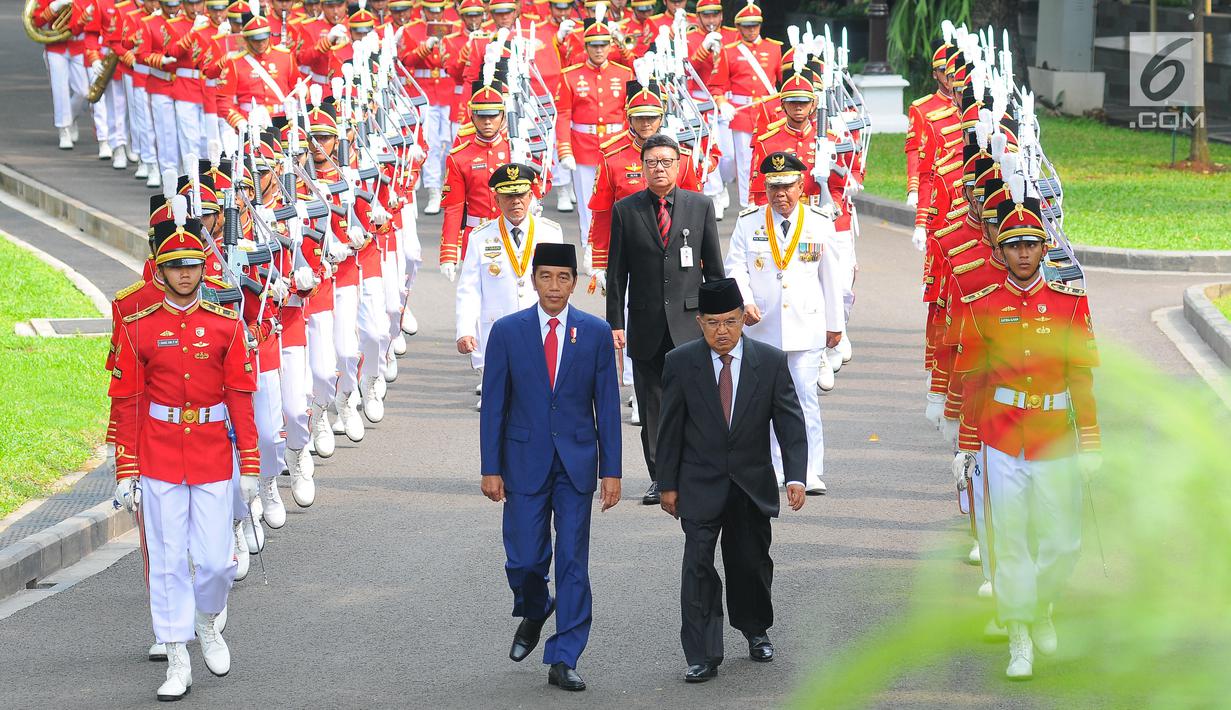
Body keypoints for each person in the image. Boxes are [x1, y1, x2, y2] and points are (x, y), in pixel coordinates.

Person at [109, 205, 259, 701]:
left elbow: (240, 394)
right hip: (157, 454)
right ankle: (176, 655)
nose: (185, 274)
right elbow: (127, 399)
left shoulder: (225, 323)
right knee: (169, 560)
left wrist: (251, 466)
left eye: (193, 265)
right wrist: (125, 468)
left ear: (202, 267)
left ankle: (208, 621)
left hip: (213, 453)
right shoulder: (139, 324)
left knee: (216, 563)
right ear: (160, 268)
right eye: (176, 266)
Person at [952, 196, 1101, 681]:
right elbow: (973, 377)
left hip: (1055, 435)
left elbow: (1081, 375)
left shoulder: (1069, 302)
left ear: (1044, 249)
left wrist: (1093, 438)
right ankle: (1019, 632)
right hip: (1001, 437)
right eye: (1012, 244)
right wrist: (968, 443)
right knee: (1010, 538)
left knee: (1063, 542)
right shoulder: (984, 305)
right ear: (1000, 248)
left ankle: (1041, 604)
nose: (1021, 253)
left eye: (1030, 245)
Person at [479, 242, 622, 692]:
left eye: (563, 278)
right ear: (534, 279)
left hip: (577, 463)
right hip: (523, 462)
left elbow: (609, 406)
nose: (555, 286)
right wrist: (490, 467)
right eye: (546, 276)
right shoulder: (508, 331)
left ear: (575, 282)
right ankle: (536, 607)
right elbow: (494, 407)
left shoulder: (595, 332)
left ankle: (565, 656)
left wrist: (611, 470)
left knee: (573, 562)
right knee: (523, 559)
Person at [655, 277, 808, 683]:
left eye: (731, 321)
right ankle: (703, 654)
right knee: (698, 566)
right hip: (698, 484)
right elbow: (668, 429)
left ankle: (755, 629)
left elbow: (790, 422)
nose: (722, 331)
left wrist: (795, 475)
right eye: (713, 322)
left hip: (750, 484)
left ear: (744, 319)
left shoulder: (770, 362)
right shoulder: (681, 362)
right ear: (699, 322)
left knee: (750, 564)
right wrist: (666, 483)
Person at [606, 133, 724, 505]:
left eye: (666, 162)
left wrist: (720, 321)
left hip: (690, 324)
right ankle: (660, 476)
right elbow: (616, 274)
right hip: (646, 324)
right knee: (652, 406)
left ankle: (695, 471)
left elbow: (714, 271)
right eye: (652, 162)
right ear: (642, 168)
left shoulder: (700, 206)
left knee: (695, 401)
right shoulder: (626, 210)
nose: (659, 168)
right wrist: (616, 324)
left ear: (679, 165)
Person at [724, 152, 843, 494]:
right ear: (765, 187)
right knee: (763, 401)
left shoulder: (820, 222)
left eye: (788, 186)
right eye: (774, 186)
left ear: (801, 185)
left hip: (806, 326)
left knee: (804, 397)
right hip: (762, 327)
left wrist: (835, 324)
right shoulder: (749, 223)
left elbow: (832, 278)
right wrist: (744, 301)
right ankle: (774, 466)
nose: (781, 194)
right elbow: (736, 269)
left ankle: (809, 469)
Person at [456, 163, 565, 410]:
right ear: (496, 199)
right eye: (508, 196)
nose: (515, 202)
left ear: (531, 196)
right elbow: (469, 289)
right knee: (497, 406)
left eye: (520, 195)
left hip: (539, 322)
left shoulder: (550, 232)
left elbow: (560, 285)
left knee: (539, 401)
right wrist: (465, 329)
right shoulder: (480, 236)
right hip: (497, 326)